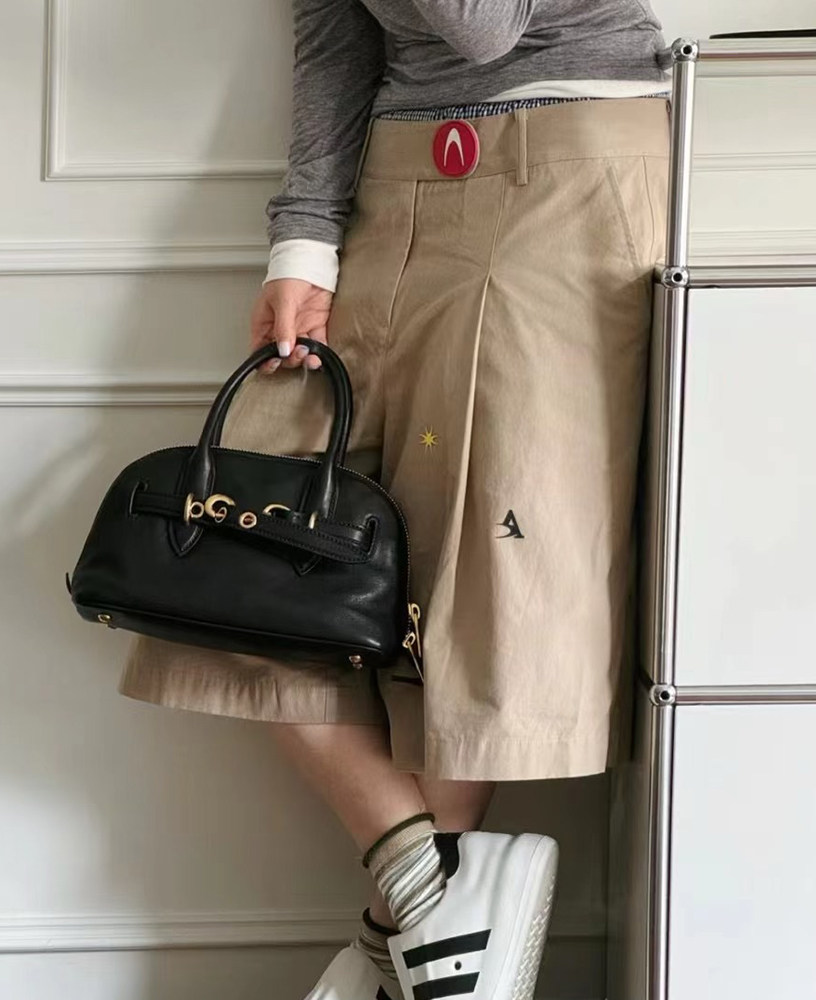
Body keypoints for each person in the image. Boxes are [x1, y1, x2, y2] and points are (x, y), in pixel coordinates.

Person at [119, 3, 672, 998]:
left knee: (473, 563)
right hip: (395, 165)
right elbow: (334, 30)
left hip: (567, 158)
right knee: (243, 561)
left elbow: (480, 25)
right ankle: (426, 900)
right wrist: (303, 240)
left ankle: (399, 947)